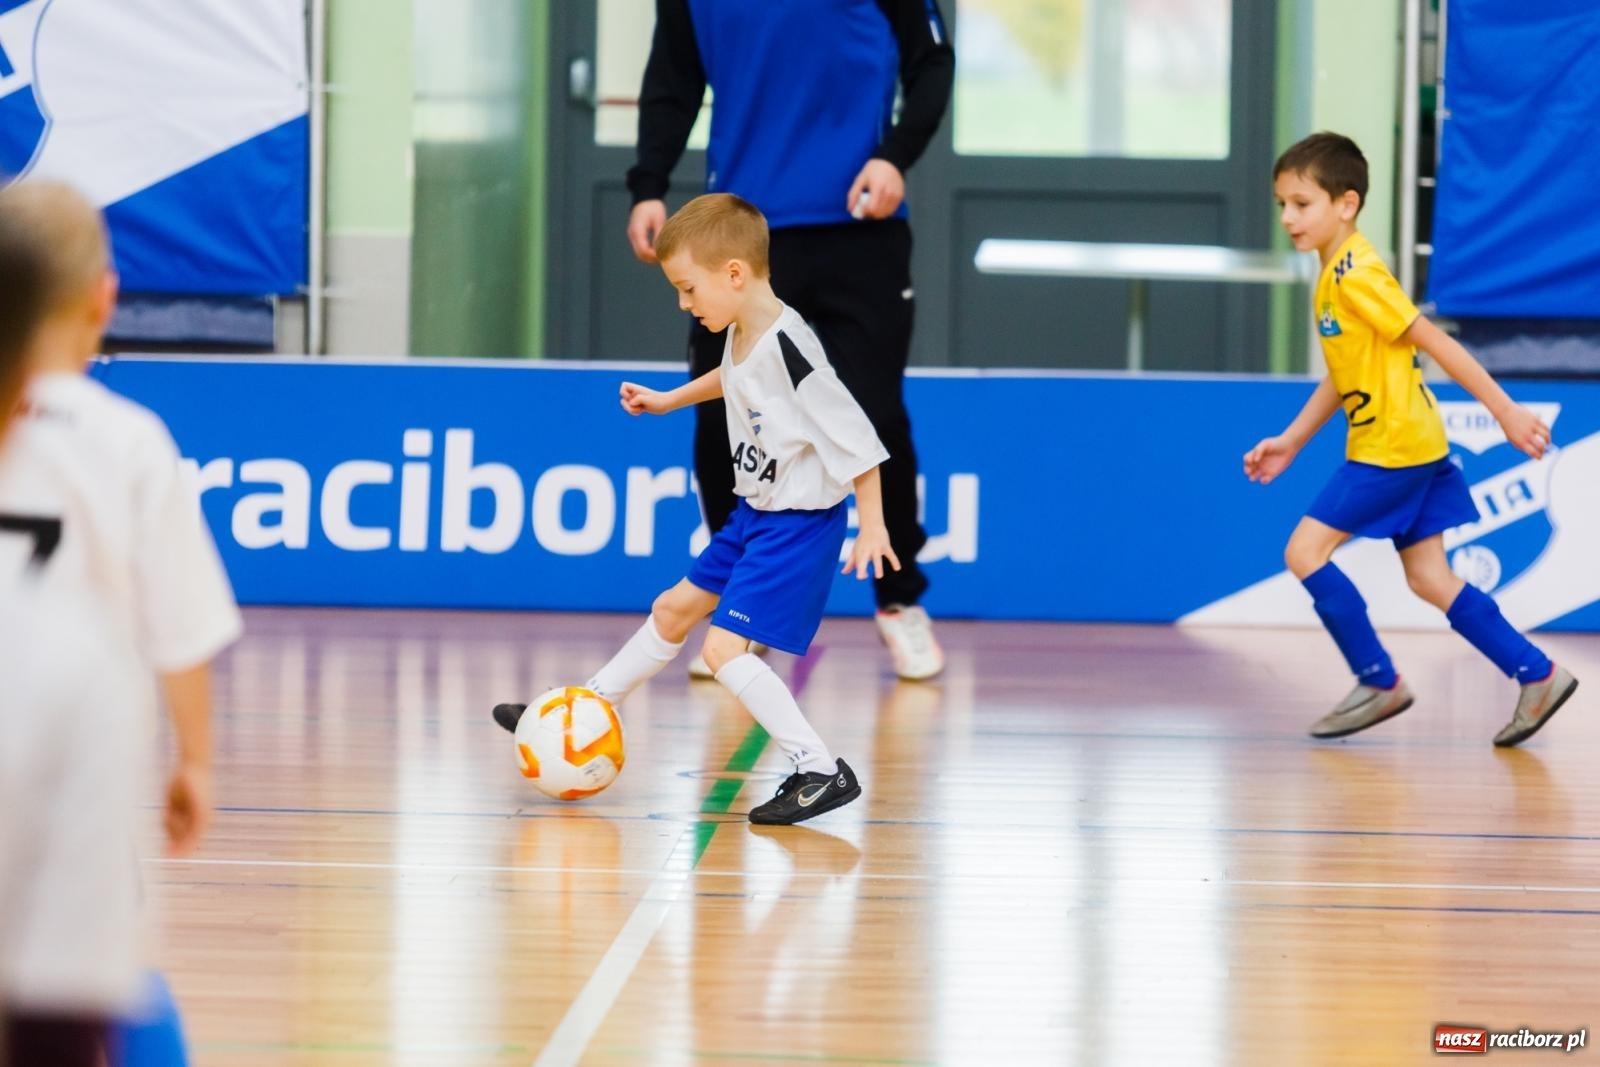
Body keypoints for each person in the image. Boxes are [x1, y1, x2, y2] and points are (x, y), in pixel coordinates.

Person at [497, 194, 896, 824]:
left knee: (723, 654)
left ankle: (818, 768)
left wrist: (872, 525)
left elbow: (861, 444)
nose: (685, 304)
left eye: (688, 289)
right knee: (671, 609)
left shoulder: (795, 351)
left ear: (734, 274)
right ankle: (583, 712)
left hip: (795, 528)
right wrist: (669, 399)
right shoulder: (745, 330)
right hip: (755, 517)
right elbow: (733, 378)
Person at [625, 0, 954, 680]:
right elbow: (672, 79)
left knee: (871, 414)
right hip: (736, 236)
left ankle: (899, 601)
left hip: (859, 228)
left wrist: (895, 158)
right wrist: (649, 184)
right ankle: (742, 611)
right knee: (724, 420)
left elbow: (931, 63)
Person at [0, 181, 241, 1065]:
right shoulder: (128, 439)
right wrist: (198, 763)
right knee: (88, 995)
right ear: (102, 294)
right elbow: (181, 632)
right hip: (69, 760)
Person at [1246, 132, 1578, 745]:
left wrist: (1505, 410)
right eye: (1282, 205)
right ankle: (1538, 674)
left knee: (1304, 553)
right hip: (1416, 445)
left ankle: (1377, 680)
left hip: (1390, 449)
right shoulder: (1332, 274)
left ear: (1346, 204)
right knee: (1429, 579)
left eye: (1301, 203)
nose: (1289, 217)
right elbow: (1345, 375)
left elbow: (1439, 343)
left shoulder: (1358, 275)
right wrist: (1293, 440)